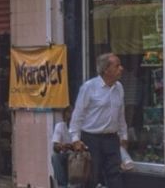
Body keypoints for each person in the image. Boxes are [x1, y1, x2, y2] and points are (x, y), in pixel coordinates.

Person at [70, 53, 127, 188]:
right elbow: (78, 114)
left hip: (111, 138)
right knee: (92, 177)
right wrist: (75, 139)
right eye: (117, 66)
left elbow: (121, 114)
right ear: (106, 70)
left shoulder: (119, 88)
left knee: (115, 174)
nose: (121, 68)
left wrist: (124, 135)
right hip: (92, 138)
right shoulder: (89, 87)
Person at [51, 106, 75, 188]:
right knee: (55, 157)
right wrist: (61, 146)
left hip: (77, 156)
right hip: (64, 154)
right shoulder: (59, 126)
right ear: (64, 116)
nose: (70, 116)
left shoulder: (79, 128)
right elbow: (55, 146)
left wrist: (72, 147)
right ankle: (62, 185)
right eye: (68, 114)